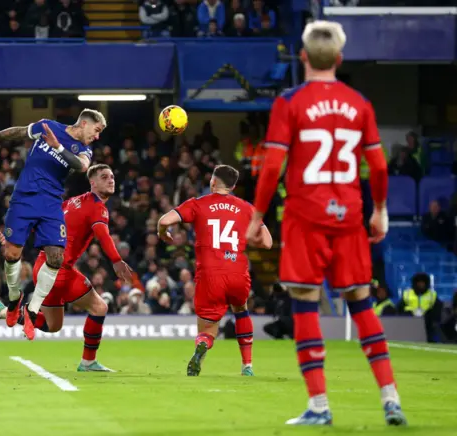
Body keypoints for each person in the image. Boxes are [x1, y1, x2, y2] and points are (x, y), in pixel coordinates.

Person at [245, 21, 407, 426]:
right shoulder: (360, 104)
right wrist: (380, 210)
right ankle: (391, 399)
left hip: (305, 218)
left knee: (304, 307)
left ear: (302, 57)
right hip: (350, 217)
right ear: (339, 59)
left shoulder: (290, 102)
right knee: (362, 305)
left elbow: (272, 167)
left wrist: (257, 217)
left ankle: (319, 407)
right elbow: (379, 166)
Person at [0, 164, 132, 370]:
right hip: (59, 271)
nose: (111, 180)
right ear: (92, 183)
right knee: (99, 307)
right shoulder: (97, 207)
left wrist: (16, 238)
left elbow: (41, 222)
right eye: (104, 177)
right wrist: (116, 260)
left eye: (112, 176)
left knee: (53, 325)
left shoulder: (71, 202)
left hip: (44, 267)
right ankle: (88, 362)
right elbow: (102, 234)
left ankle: (1, 311)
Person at [0, 110, 106, 340]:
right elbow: (18, 132)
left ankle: (31, 311)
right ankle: (13, 301)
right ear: (84, 123)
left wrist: (58, 147)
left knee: (55, 257)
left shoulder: (84, 149)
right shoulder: (48, 126)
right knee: (12, 253)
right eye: (97, 130)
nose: (97, 136)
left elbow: (81, 167)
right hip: (24, 197)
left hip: (51, 203)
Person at [157, 165, 273, 377]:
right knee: (241, 309)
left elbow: (165, 220)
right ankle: (247, 365)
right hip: (237, 271)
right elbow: (267, 242)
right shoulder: (246, 207)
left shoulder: (198, 204)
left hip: (210, 274)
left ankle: (203, 344)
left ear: (212, 181)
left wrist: (162, 231)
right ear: (233, 186)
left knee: (207, 330)